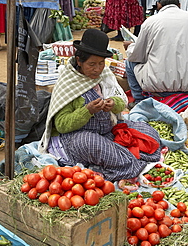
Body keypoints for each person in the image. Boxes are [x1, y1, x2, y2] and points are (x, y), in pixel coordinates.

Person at [38, 29, 161, 182]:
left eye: (101, 63)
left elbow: (121, 101)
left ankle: (120, 157)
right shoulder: (67, 83)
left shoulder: (104, 75)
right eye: (92, 64)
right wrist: (87, 111)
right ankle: (121, 163)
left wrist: (113, 104)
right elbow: (61, 125)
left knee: (149, 133)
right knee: (90, 143)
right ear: (79, 61)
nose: (97, 69)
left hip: (108, 131)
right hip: (77, 137)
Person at [123, 0, 188, 107]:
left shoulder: (151, 21)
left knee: (129, 63)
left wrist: (130, 47)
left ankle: (139, 101)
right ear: (179, 5)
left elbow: (137, 55)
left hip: (160, 85)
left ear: (158, 5)